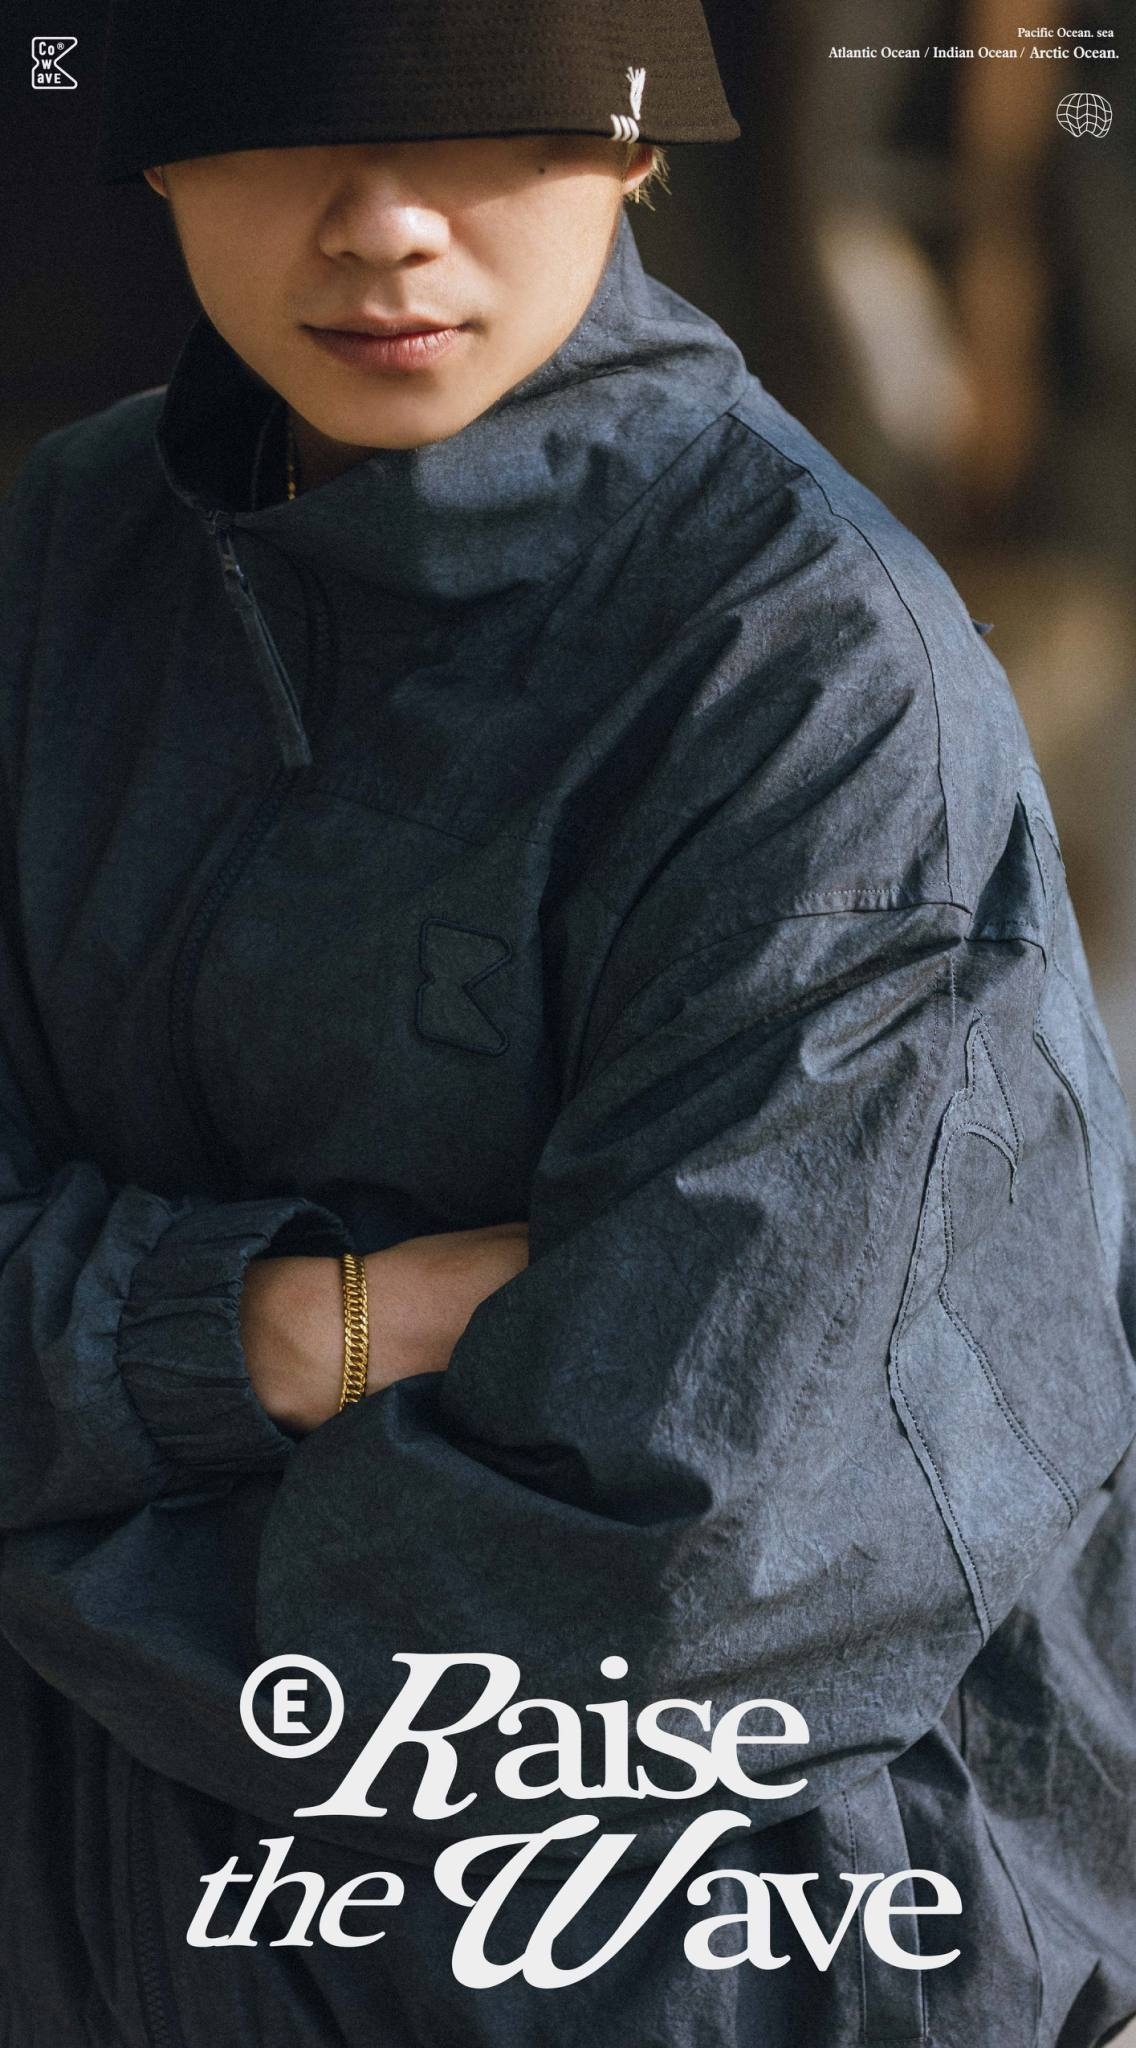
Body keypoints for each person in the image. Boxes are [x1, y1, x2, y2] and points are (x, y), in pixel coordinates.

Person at [1, 1, 1134, 2042]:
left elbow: (670, 1584)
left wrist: (51, 1535)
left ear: (631, 147)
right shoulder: (61, 560)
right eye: (282, 123)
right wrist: (292, 1332)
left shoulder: (807, 683)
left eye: (481, 121)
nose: (381, 222)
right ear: (152, 146)